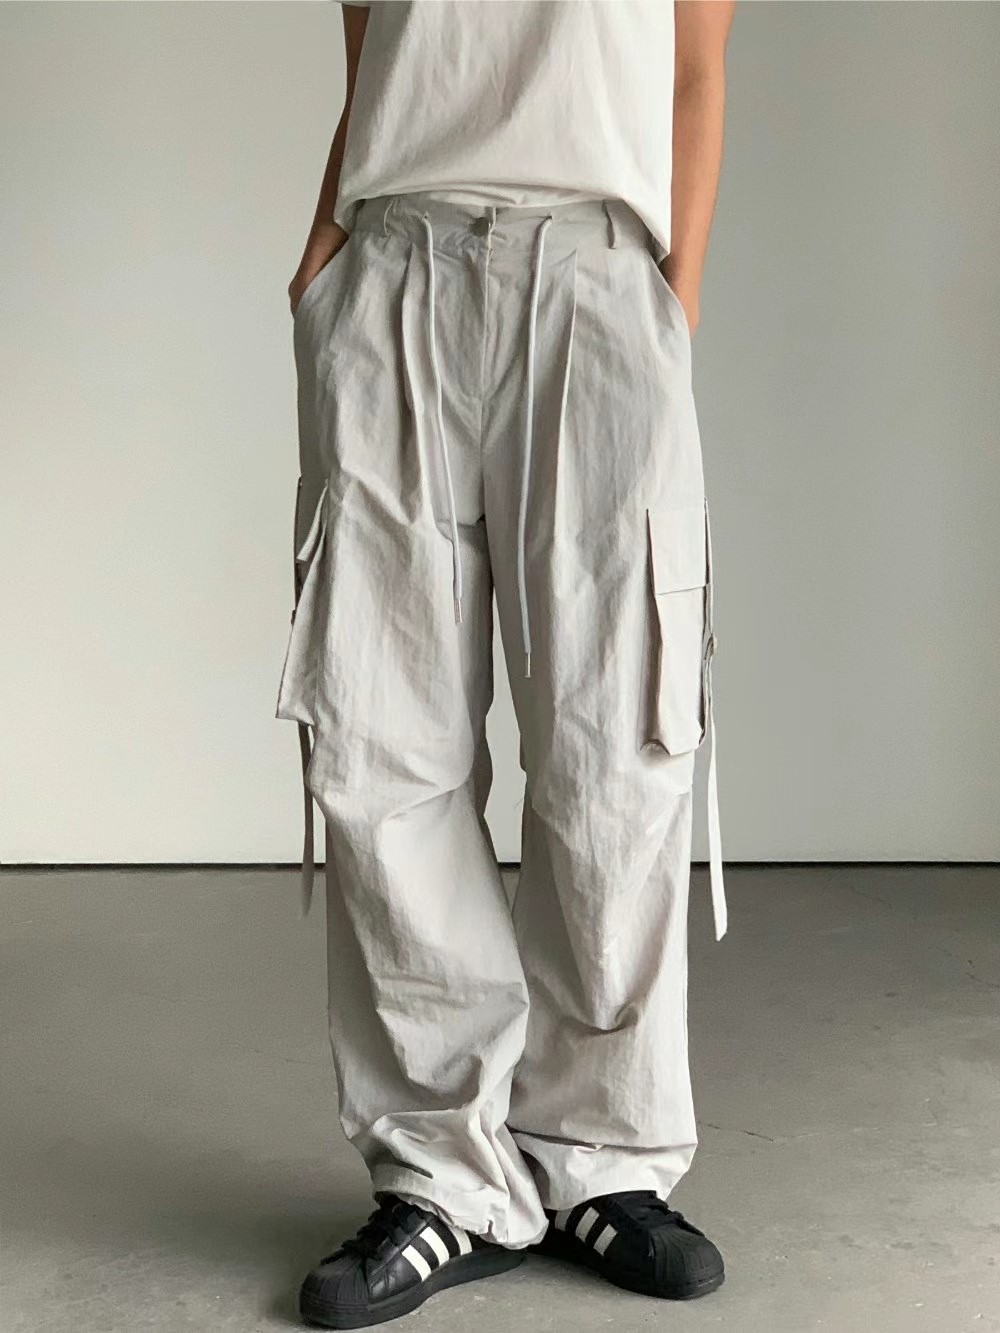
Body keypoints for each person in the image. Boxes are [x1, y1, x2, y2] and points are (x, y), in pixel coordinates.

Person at [277, 1, 735, 1326]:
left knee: (616, 743)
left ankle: (601, 1155)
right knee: (381, 735)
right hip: (393, 269)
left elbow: (695, 67)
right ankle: (443, 1175)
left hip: (597, 278)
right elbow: (377, 54)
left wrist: (668, 306)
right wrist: (325, 263)